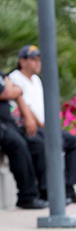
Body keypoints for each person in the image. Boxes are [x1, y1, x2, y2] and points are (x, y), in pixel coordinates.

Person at [9, 45, 76, 204]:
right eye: (33, 59)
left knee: (75, 143)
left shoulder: (37, 80)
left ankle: (68, 188)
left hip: (46, 127)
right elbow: (26, 106)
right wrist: (44, 127)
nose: (37, 63)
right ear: (22, 61)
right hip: (31, 127)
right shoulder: (15, 77)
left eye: (39, 59)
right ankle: (47, 192)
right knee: (47, 144)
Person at [0, 73, 46, 209]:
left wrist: (15, 91)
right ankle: (27, 196)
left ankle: (46, 193)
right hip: (3, 125)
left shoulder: (2, 75)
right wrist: (16, 90)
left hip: (11, 124)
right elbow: (6, 93)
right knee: (17, 144)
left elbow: (15, 92)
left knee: (37, 142)